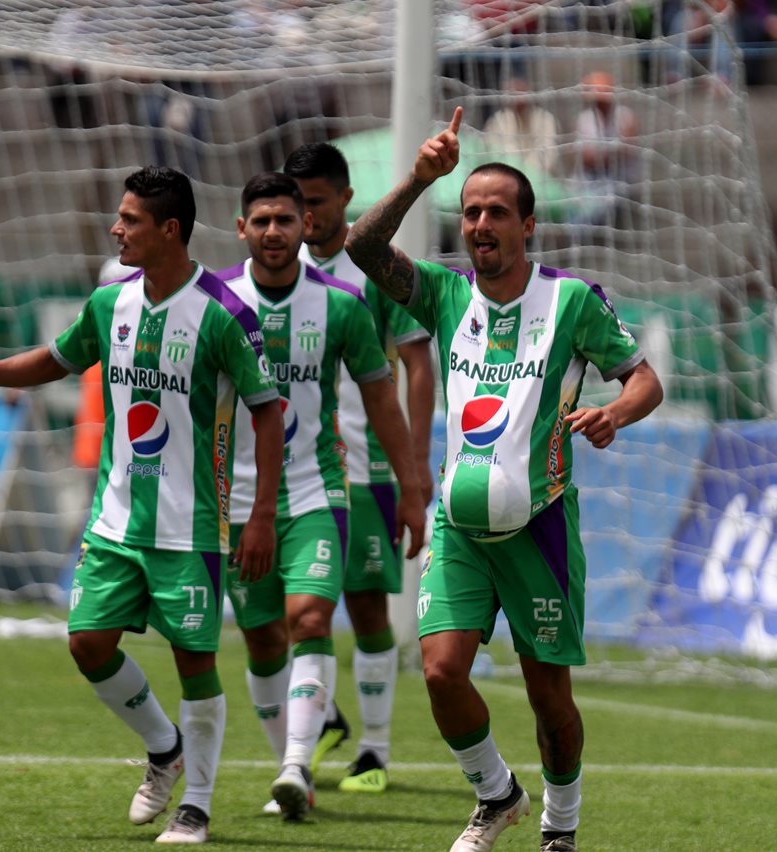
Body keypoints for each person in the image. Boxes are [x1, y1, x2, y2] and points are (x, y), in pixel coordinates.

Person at [0, 165, 285, 846]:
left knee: (194, 662)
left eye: (130, 220)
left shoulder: (226, 315)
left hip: (190, 528)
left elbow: (267, 414)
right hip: (116, 521)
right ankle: (164, 748)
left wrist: (259, 516)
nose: (116, 228)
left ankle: (196, 805)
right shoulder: (110, 302)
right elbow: (54, 361)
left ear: (169, 230)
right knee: (87, 643)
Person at [344, 108, 664, 852]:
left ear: (528, 227)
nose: (480, 223)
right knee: (439, 671)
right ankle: (496, 796)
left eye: (496, 212)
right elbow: (362, 245)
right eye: (470, 212)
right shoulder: (443, 294)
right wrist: (422, 178)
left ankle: (560, 825)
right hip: (461, 528)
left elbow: (644, 379)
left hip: (539, 528)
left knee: (550, 700)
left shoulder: (572, 303)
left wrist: (615, 411)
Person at [218, 171, 426, 820]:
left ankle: (300, 764)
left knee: (313, 618)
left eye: (289, 219)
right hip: (234, 501)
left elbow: (380, 399)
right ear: (242, 228)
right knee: (262, 640)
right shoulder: (216, 300)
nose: (277, 230)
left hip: (318, 491)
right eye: (264, 220)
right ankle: (297, 772)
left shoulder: (341, 304)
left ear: (307, 224)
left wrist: (412, 484)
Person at [284, 141, 436, 795]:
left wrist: (416, 469)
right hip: (291, 471)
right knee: (285, 614)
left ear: (346, 198)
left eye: (315, 202)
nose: (303, 216)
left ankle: (373, 749)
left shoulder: (373, 267)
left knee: (367, 607)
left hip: (366, 464)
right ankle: (322, 719)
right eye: (295, 204)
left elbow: (417, 363)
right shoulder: (273, 267)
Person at [573, 70, 640, 227]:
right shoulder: (585, 118)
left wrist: (602, 156)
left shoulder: (625, 116)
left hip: (619, 177)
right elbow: (586, 159)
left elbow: (625, 152)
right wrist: (611, 153)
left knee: (598, 204)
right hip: (590, 176)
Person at [482, 76, 560, 176]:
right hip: (506, 177)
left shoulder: (545, 119)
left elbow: (548, 154)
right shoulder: (498, 120)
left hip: (541, 179)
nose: (517, 97)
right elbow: (492, 150)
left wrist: (528, 172)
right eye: (512, 93)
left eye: (520, 92)